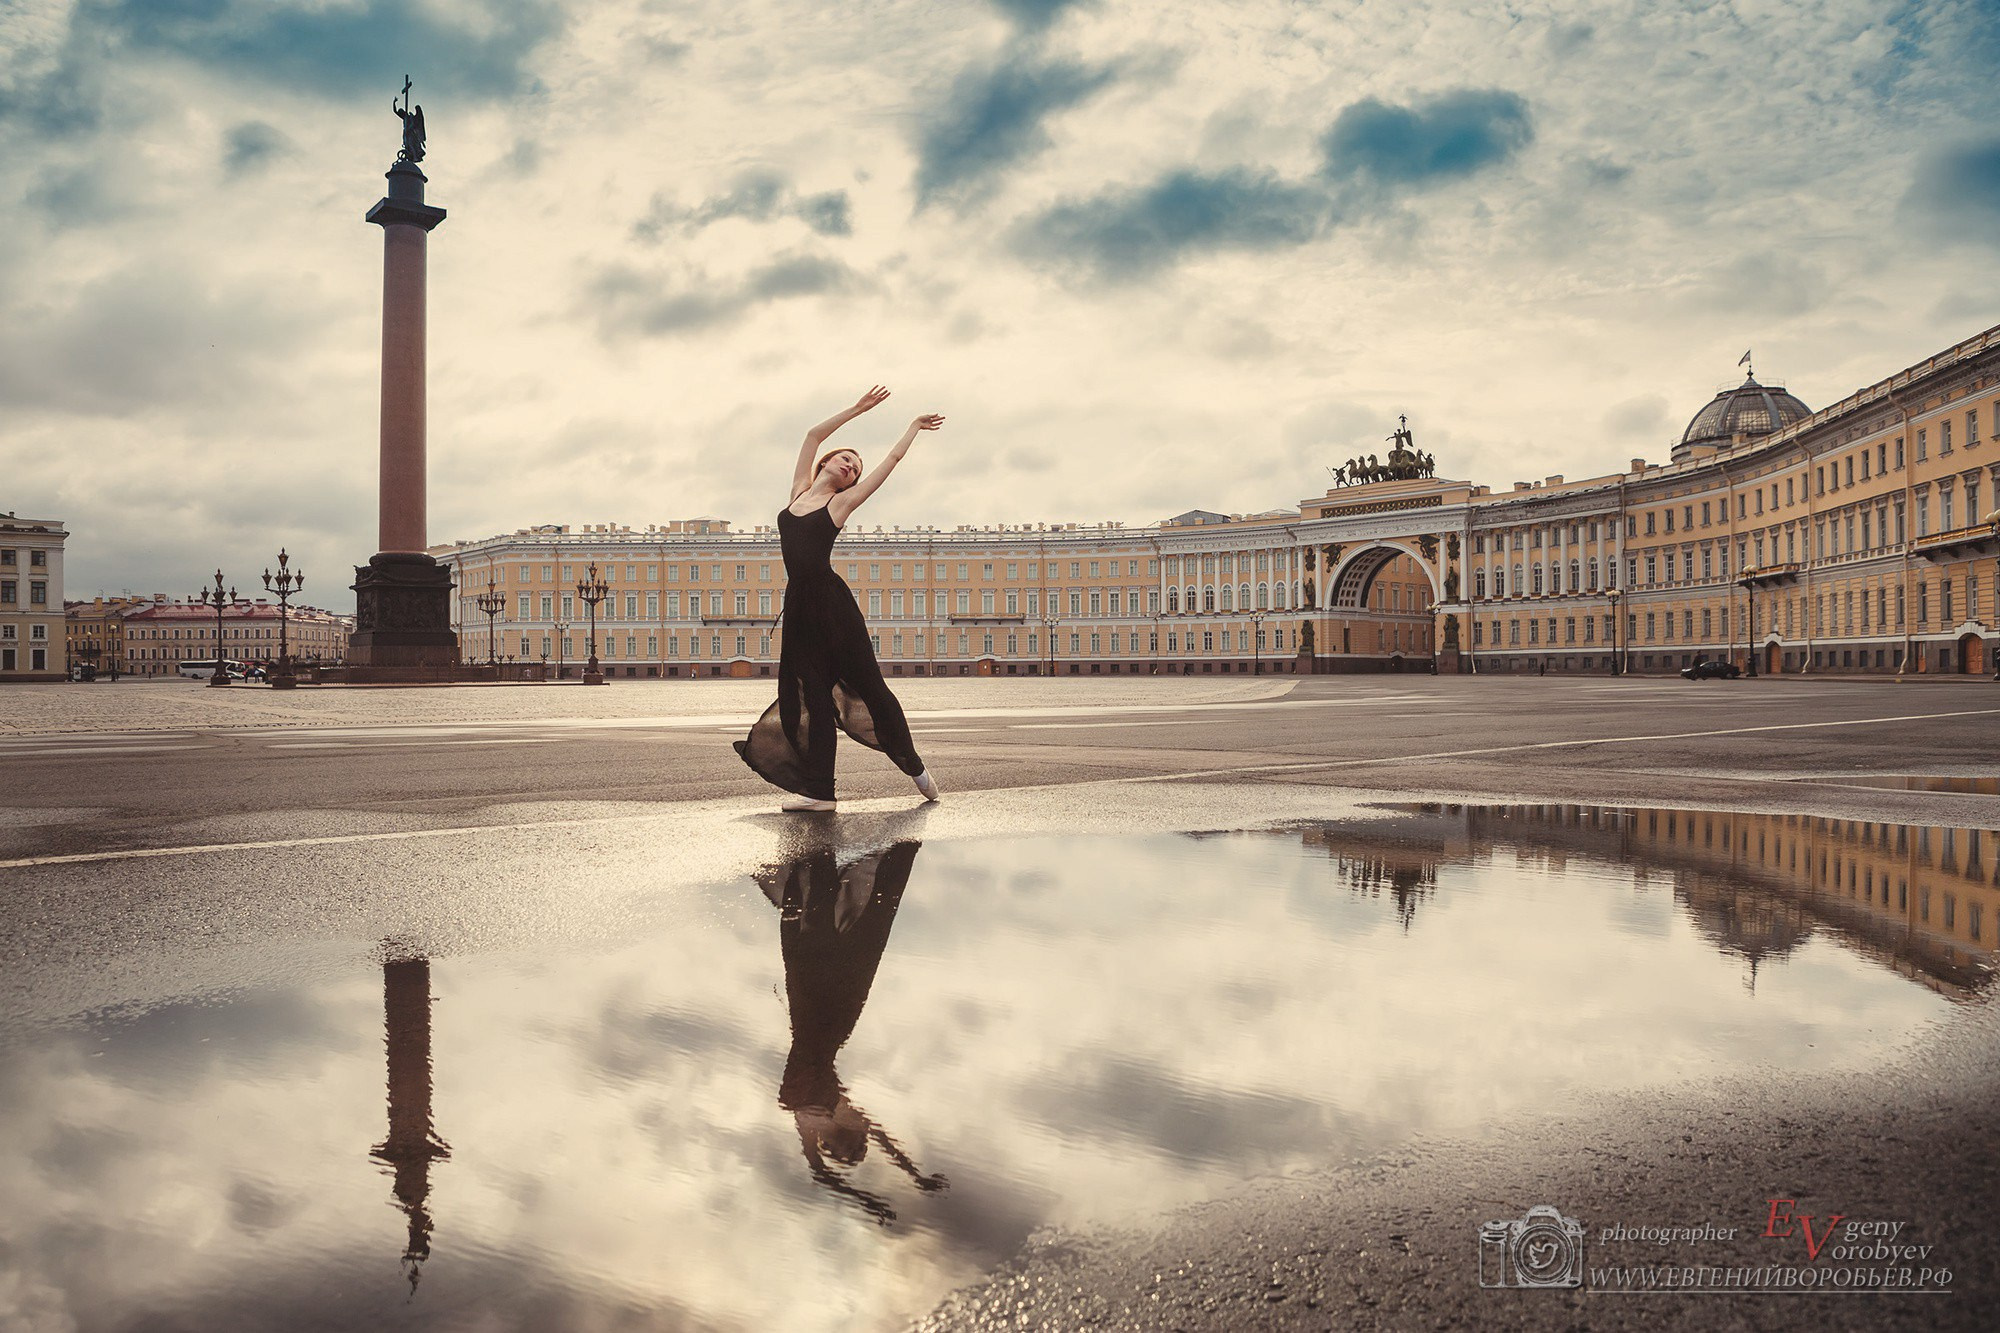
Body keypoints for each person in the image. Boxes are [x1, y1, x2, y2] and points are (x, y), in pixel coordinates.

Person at [735, 385, 944, 812]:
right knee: (812, 698)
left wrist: (911, 429)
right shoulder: (797, 494)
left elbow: (891, 462)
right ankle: (820, 793)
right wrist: (857, 409)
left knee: (871, 688)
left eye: (855, 467)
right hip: (799, 610)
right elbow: (811, 435)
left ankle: (915, 767)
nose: (850, 467)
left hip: (833, 609)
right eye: (845, 458)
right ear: (826, 462)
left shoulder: (840, 504)